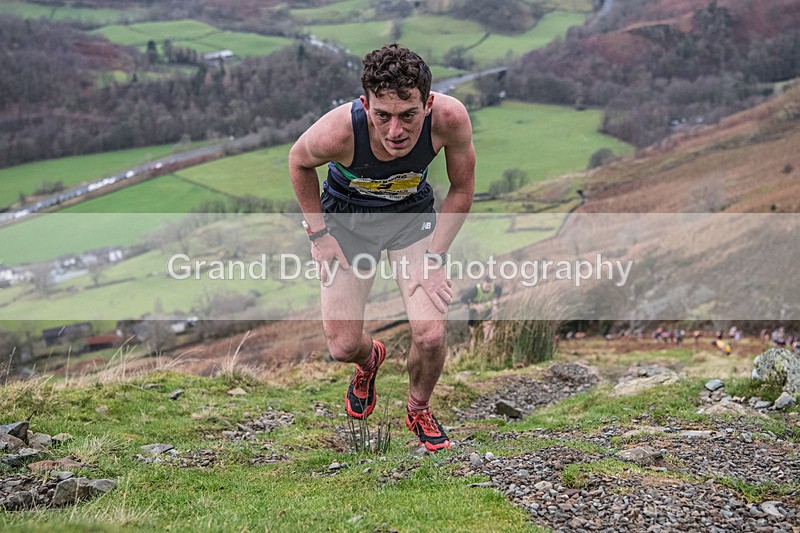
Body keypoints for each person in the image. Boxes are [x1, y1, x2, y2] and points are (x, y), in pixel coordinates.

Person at [288, 44, 475, 452]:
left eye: (408, 115)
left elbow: (461, 189)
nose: (395, 131)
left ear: (426, 104)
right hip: (347, 224)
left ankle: (418, 407)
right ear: (365, 105)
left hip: (410, 221)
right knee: (341, 347)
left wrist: (435, 258)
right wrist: (319, 236)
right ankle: (370, 360)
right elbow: (297, 162)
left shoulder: (449, 118)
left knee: (430, 336)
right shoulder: (338, 131)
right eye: (382, 116)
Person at [462, 276, 501, 351]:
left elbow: (499, 290)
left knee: (488, 333)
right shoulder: (475, 290)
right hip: (474, 312)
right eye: (486, 286)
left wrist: (496, 300)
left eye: (489, 287)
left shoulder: (496, 288)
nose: (488, 288)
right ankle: (472, 352)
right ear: (483, 283)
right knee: (474, 335)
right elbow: (463, 298)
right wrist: (475, 306)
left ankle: (486, 350)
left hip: (486, 311)